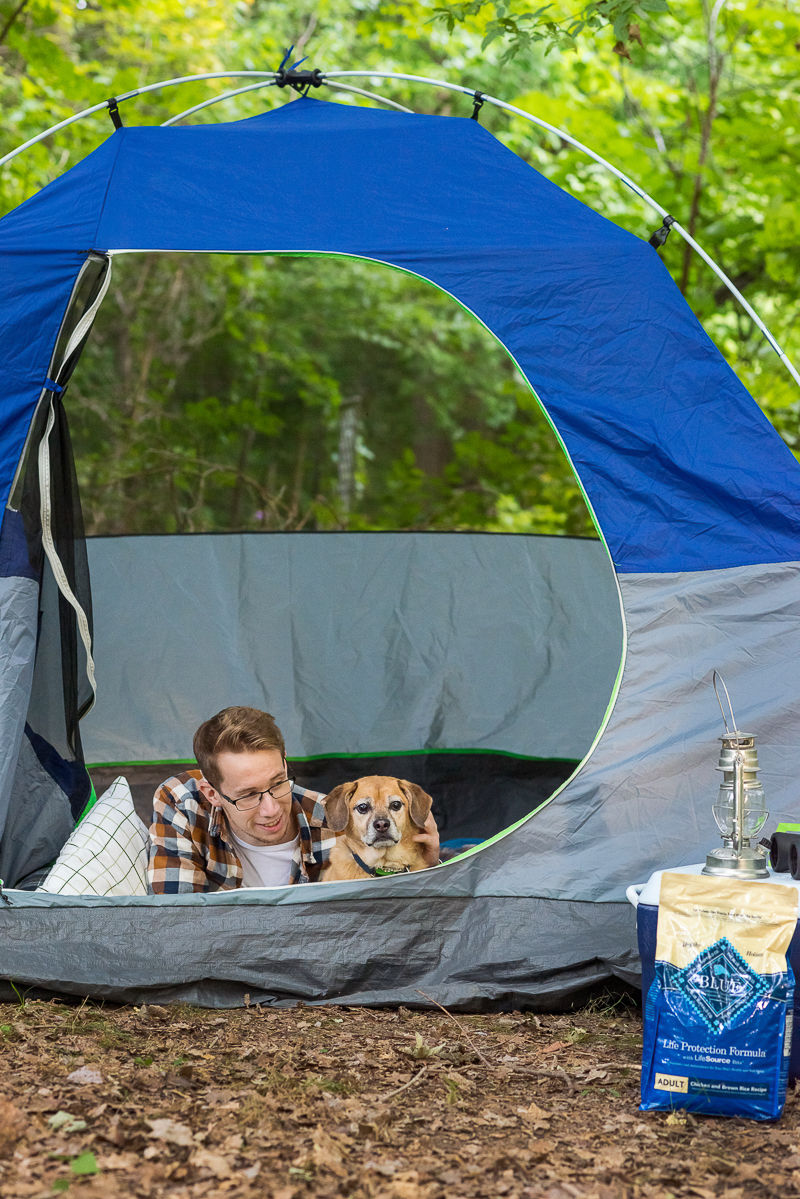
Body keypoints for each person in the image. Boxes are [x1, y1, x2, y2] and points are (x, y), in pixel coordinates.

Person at [147, 706, 440, 894]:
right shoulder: (183, 804)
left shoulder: (337, 823)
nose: (271, 809)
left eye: (278, 783)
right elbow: (176, 920)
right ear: (214, 794)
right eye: (248, 795)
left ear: (285, 765)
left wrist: (428, 868)